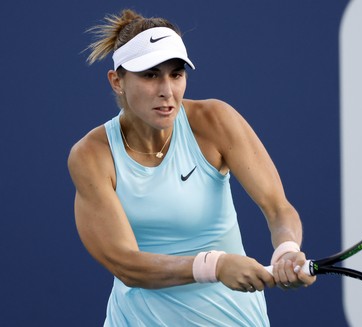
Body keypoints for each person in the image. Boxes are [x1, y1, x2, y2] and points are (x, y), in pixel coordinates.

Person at [67, 8, 315, 326]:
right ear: (117, 81)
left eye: (176, 73)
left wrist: (287, 250)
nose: (166, 90)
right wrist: (214, 265)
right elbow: (126, 265)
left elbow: (278, 208)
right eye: (150, 74)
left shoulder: (215, 121)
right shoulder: (91, 155)